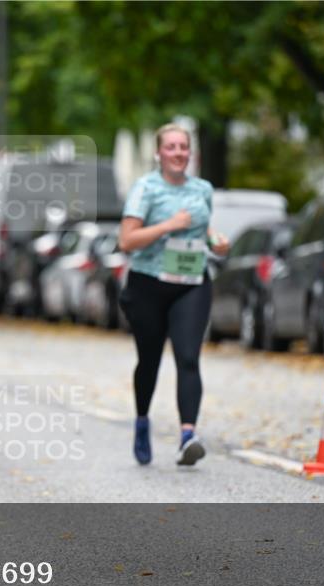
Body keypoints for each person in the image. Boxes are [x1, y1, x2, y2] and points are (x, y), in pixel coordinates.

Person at [117, 123, 229, 466]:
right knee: (149, 361)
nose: (179, 153)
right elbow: (127, 241)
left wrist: (215, 241)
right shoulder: (145, 188)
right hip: (148, 284)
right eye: (171, 147)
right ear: (158, 153)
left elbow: (201, 226)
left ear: (190, 153)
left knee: (188, 357)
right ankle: (141, 422)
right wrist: (168, 225)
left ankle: (187, 436)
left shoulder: (202, 189)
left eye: (184, 147)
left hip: (192, 282)